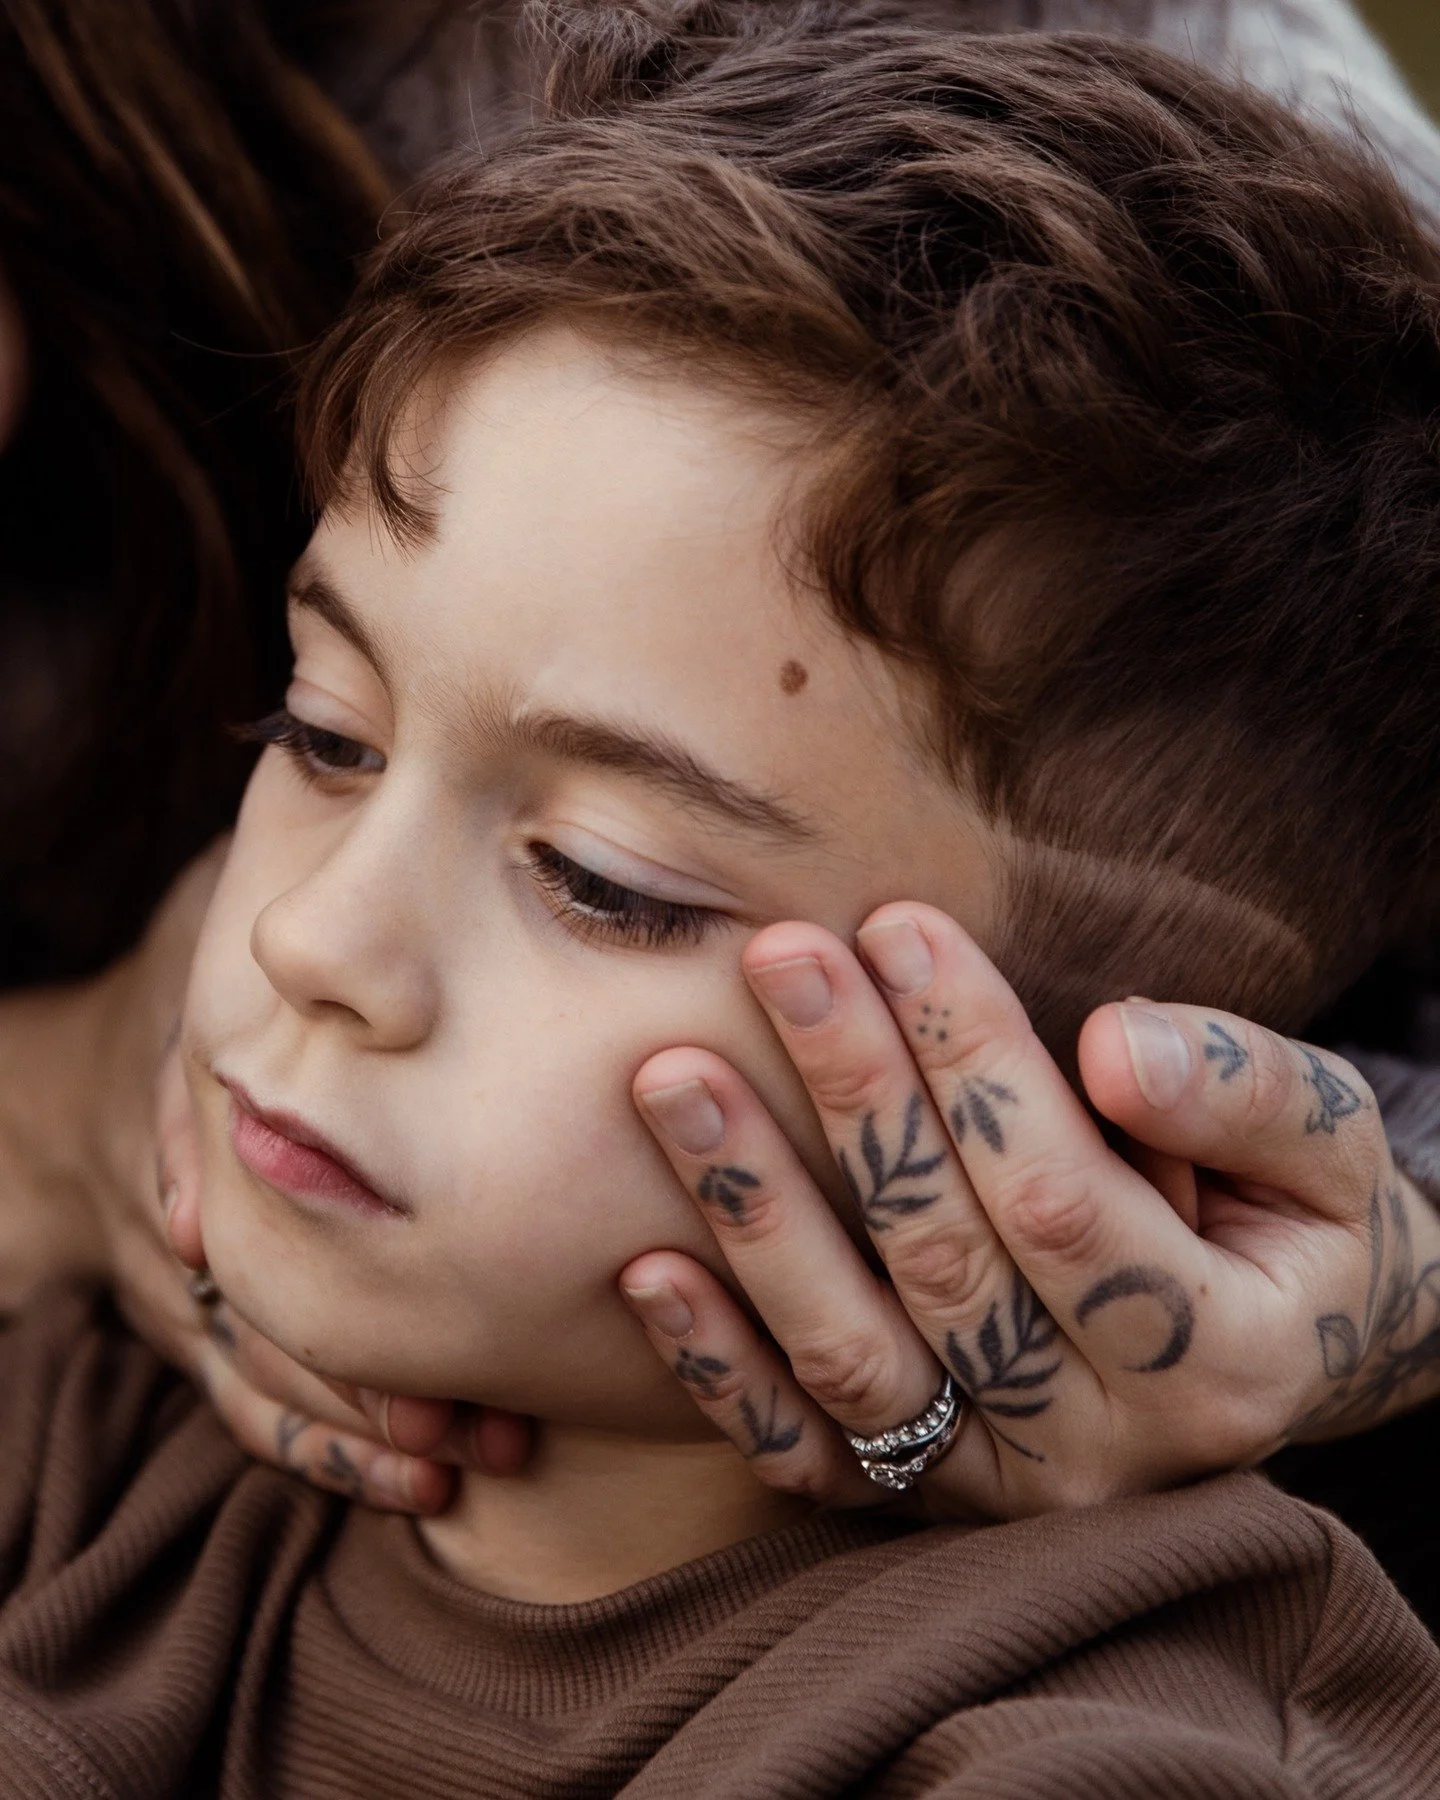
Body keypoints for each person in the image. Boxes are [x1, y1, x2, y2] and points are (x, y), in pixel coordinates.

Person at [7, 15, 1440, 1795]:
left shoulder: (1104, 1749)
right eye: (326, 730)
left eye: (601, 882)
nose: (312, 942)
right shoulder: (66, 1463)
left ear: (1092, 1095)